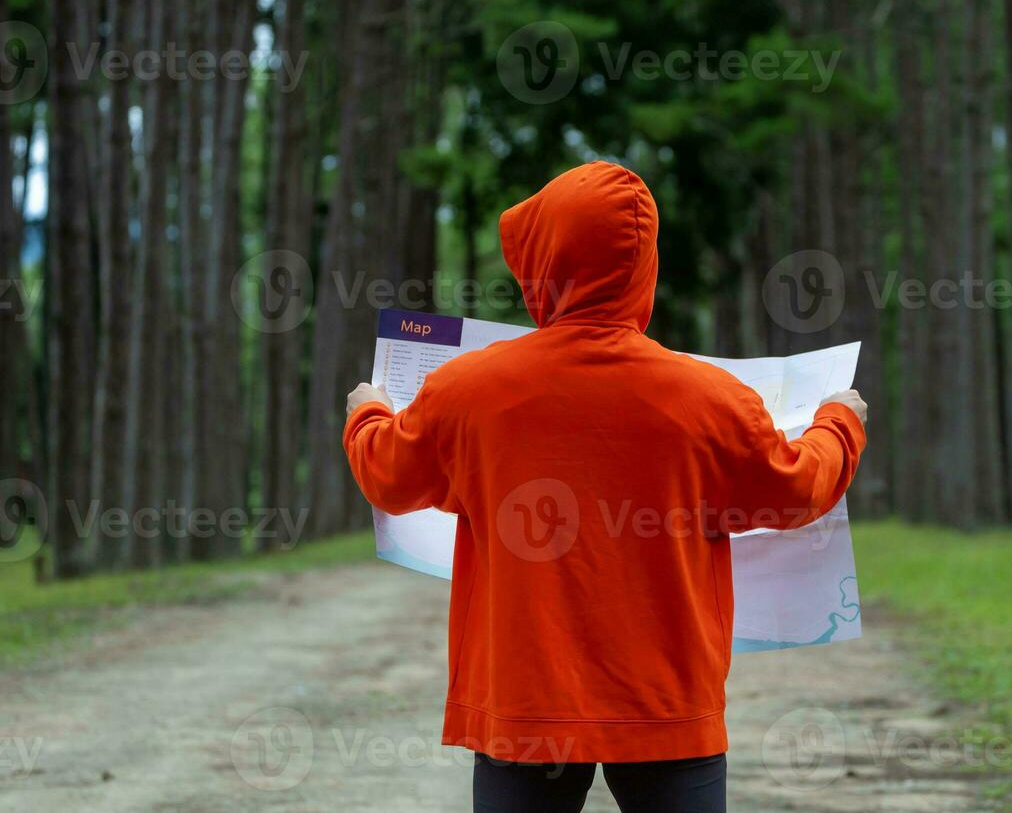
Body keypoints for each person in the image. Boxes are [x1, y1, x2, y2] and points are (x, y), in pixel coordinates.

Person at [343, 161, 867, 813]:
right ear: (644, 269)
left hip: (525, 702)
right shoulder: (708, 399)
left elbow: (387, 476)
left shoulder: (468, 391)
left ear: (545, 264)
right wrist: (840, 422)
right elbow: (796, 489)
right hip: (666, 702)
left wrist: (367, 410)